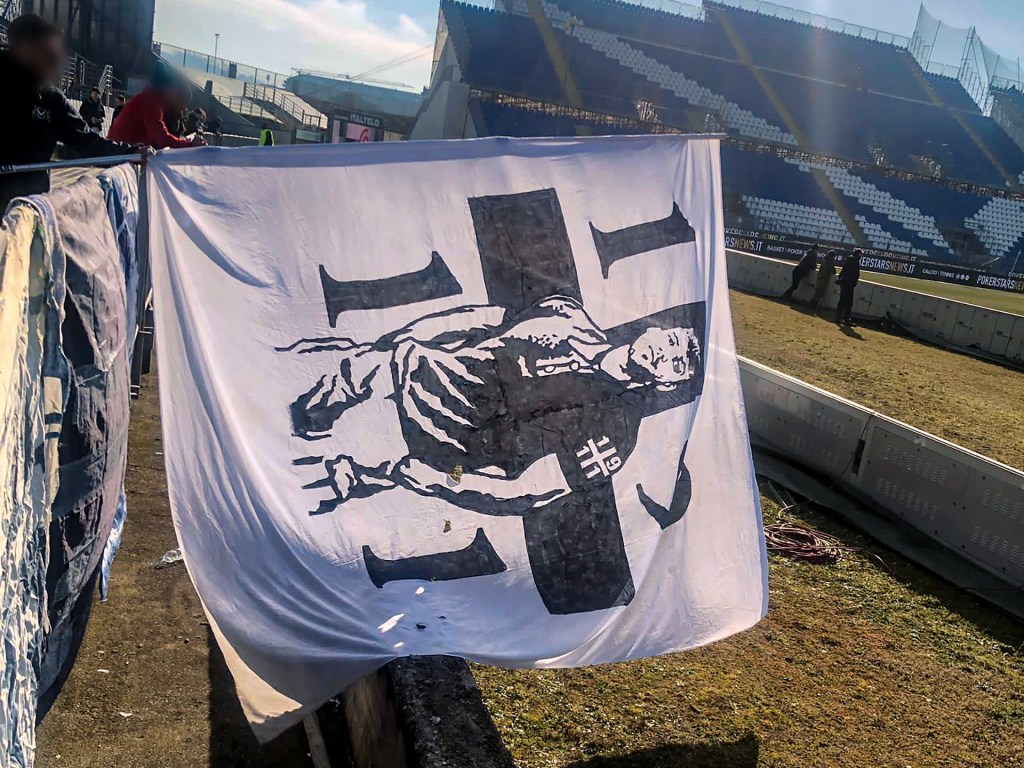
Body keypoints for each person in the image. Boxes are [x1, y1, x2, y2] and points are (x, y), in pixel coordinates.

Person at [286, 295, 702, 516]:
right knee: (288, 415)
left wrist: (438, 480)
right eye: (671, 340)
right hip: (395, 374)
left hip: (420, 450)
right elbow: (478, 317)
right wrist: (397, 342)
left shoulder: (615, 434)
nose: (665, 353)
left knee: (302, 493)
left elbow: (529, 491)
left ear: (667, 382)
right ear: (655, 330)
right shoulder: (566, 315)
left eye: (676, 363)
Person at [0, 14, 139, 211]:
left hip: (25, 212)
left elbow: (87, 141)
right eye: (49, 56)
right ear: (24, 49)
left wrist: (131, 153)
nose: (55, 65)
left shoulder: (51, 98)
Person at [108, 61, 205, 150]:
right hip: (120, 154)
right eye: (173, 90)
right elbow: (161, 138)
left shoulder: (148, 98)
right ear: (165, 88)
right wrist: (189, 145)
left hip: (122, 150)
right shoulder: (150, 102)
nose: (174, 94)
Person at [835, 249, 863, 326]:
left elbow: (844, 271)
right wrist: (853, 283)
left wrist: (841, 279)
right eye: (861, 254)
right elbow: (853, 274)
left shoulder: (849, 260)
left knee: (842, 301)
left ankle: (838, 317)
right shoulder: (855, 261)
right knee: (848, 303)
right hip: (849, 283)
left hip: (844, 283)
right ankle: (846, 319)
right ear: (858, 254)